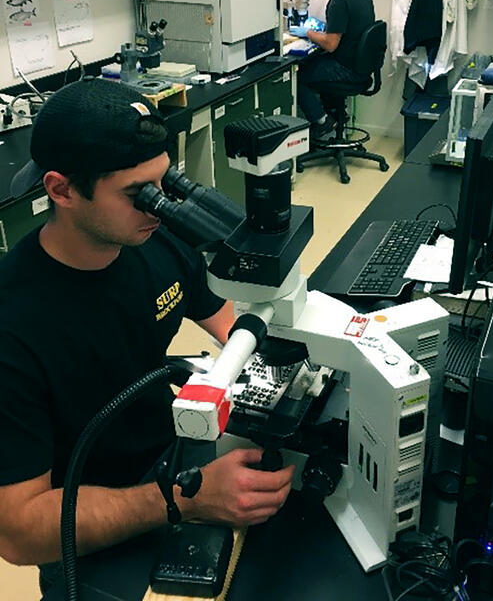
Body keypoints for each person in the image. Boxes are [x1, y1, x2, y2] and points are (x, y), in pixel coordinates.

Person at [0, 78, 294, 583]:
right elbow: (19, 531)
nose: (160, 205)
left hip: (173, 461)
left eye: (167, 184)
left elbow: (232, 324)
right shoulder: (13, 324)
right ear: (61, 189)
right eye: (139, 194)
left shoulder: (153, 238)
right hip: (88, 528)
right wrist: (184, 500)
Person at [293, 0, 375, 139]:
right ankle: (336, 114)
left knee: (298, 74)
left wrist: (308, 33)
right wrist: (323, 29)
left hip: (346, 70)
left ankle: (322, 121)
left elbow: (330, 45)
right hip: (361, 67)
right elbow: (350, 29)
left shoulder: (338, 0)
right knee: (316, 62)